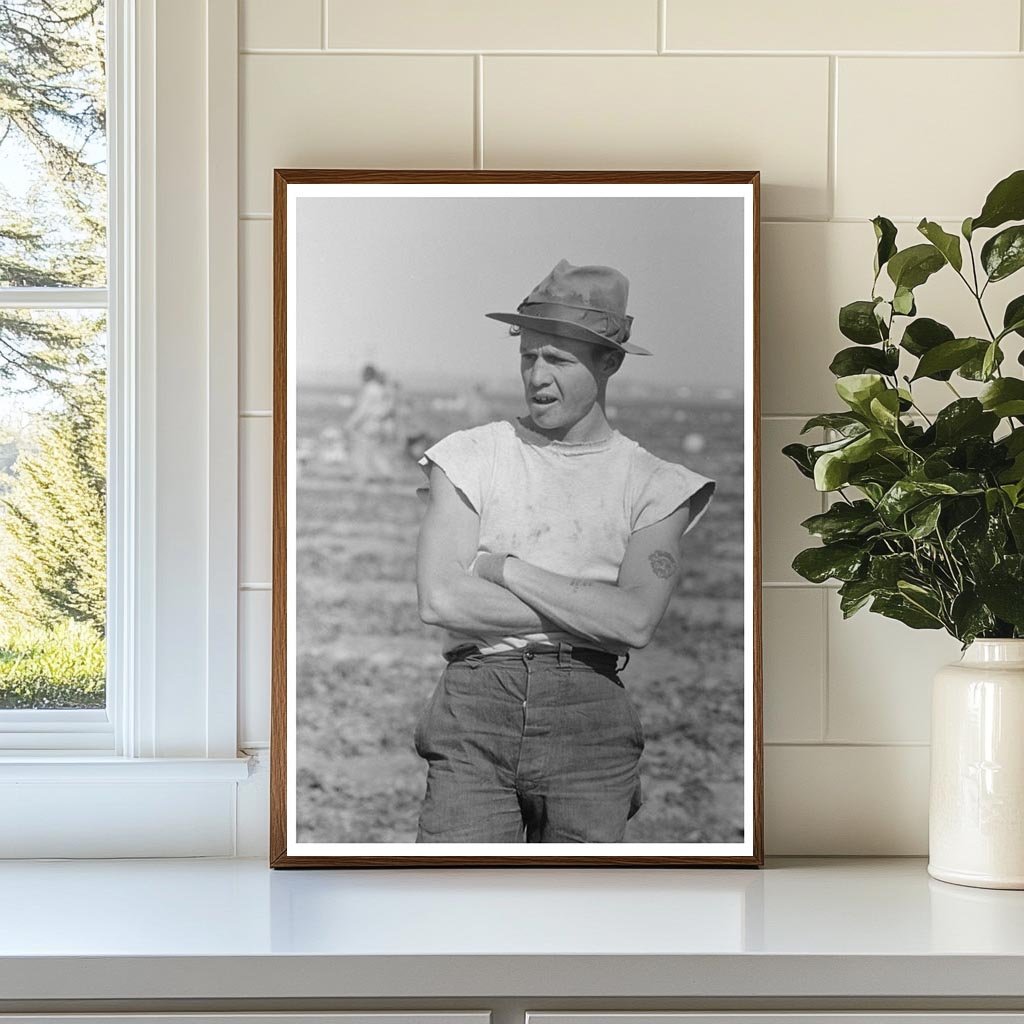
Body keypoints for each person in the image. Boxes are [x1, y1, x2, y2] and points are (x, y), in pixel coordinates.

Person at [412, 259, 716, 844]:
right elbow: (441, 598)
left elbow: (635, 624)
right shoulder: (468, 456)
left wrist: (501, 567)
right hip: (475, 704)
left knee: (580, 917)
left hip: (590, 719)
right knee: (454, 908)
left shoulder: (658, 485)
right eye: (528, 355)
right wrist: (592, 611)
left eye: (558, 359)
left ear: (611, 362)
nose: (536, 376)